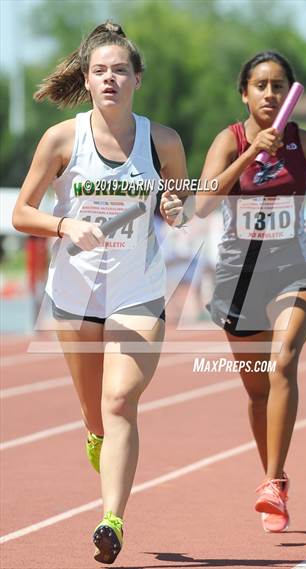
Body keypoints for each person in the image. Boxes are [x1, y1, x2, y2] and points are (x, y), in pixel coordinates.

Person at [13, 21, 185, 564]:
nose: (110, 79)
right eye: (99, 71)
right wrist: (65, 227)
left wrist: (174, 209)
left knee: (120, 401)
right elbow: (22, 213)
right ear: (86, 80)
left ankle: (112, 519)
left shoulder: (164, 141)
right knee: (94, 412)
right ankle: (96, 436)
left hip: (138, 288)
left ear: (138, 78)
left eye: (120, 71)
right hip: (76, 294)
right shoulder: (63, 140)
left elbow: (179, 203)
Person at [192, 51, 306, 533]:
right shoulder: (229, 140)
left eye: (278, 85)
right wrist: (252, 152)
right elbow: (204, 204)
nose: (269, 93)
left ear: (291, 92)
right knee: (257, 392)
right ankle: (279, 476)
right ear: (244, 92)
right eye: (260, 85)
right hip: (239, 278)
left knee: (284, 359)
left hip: (295, 269)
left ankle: (269, 483)